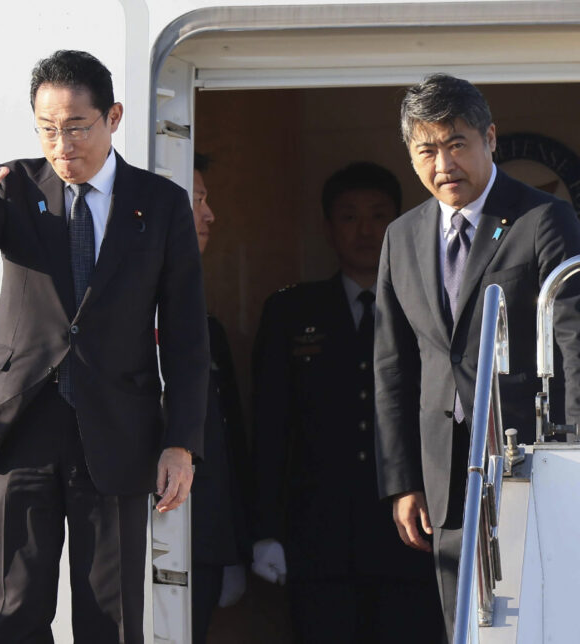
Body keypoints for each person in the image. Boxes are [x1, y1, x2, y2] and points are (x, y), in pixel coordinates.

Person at [0, 49, 209, 643]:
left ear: (112, 117)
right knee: (10, 611)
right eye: (47, 129)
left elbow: (188, 336)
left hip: (115, 429)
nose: (62, 145)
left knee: (109, 617)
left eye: (77, 127)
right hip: (20, 425)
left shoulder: (160, 204)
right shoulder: (11, 187)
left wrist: (181, 443)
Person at [375, 73, 580, 640]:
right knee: (464, 623)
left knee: (532, 618)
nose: (444, 165)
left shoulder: (543, 219)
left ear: (490, 138)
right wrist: (403, 480)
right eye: (427, 150)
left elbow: (574, 344)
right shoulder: (401, 236)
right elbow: (394, 366)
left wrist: (575, 456)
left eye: (457, 144)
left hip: (531, 463)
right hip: (444, 476)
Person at [250, 162, 443, 643]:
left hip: (409, 535)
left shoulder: (430, 307)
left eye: (379, 216)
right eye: (349, 217)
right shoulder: (292, 311)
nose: (365, 230)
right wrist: (264, 529)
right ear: (328, 227)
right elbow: (270, 426)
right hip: (319, 536)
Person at [189, 153, 251, 643]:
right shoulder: (126, 314)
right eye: (199, 199)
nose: (209, 214)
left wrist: (234, 544)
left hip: (205, 541)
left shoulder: (206, 327)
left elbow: (230, 442)